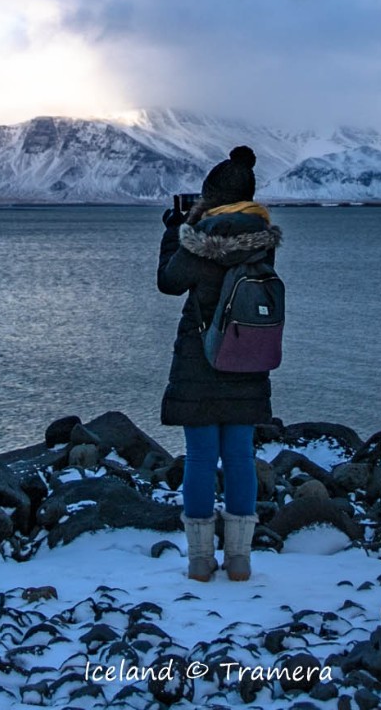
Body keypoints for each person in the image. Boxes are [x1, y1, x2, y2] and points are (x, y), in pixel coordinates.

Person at [157, 145, 280, 582]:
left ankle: (200, 560)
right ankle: (241, 560)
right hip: (247, 359)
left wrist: (176, 230)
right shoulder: (263, 243)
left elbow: (169, 282)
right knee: (241, 458)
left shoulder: (197, 240)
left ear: (210, 197)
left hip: (199, 364)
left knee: (201, 459)